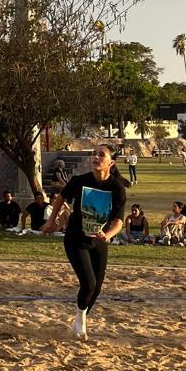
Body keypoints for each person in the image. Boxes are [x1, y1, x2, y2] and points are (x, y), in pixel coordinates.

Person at [42, 143, 126, 339]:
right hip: (75, 239)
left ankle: (80, 318)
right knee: (88, 283)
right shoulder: (80, 181)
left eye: (101, 155)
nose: (95, 158)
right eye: (94, 154)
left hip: (99, 240)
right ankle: (80, 321)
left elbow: (118, 221)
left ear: (111, 162)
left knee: (96, 288)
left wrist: (108, 235)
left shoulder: (117, 187)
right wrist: (51, 221)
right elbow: (61, 197)